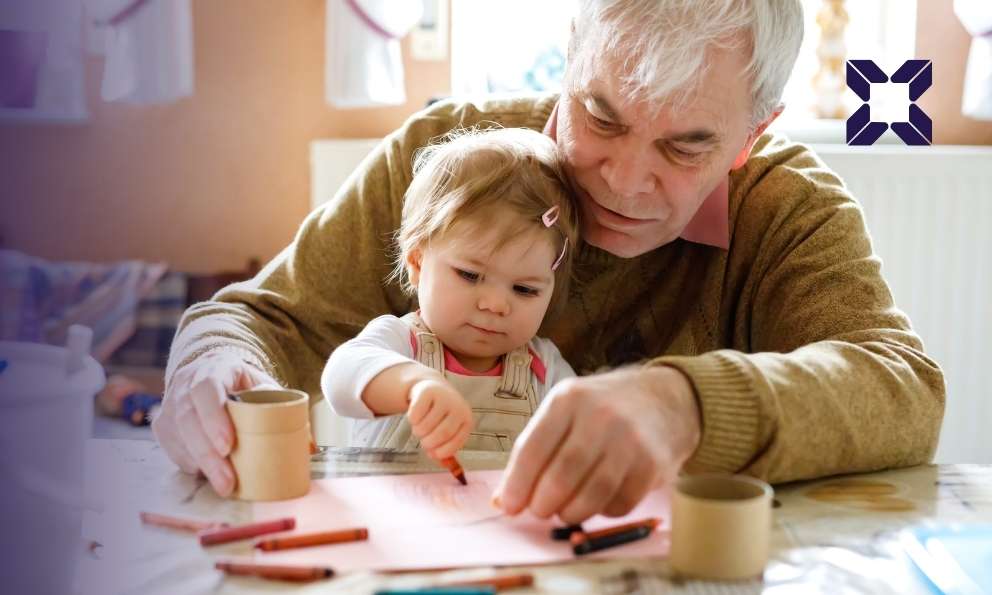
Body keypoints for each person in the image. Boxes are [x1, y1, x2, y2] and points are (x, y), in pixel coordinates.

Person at [154, 0, 944, 524]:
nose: (626, 181)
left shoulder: (788, 209)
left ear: (751, 136)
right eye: (600, 115)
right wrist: (213, 362)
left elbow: (902, 390)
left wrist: (687, 404)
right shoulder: (452, 161)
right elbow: (259, 315)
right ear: (571, 56)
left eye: (686, 145)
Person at [320, 127, 578, 460]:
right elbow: (339, 378)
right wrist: (413, 385)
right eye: (470, 275)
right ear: (417, 262)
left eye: (525, 289)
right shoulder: (401, 342)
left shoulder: (543, 368)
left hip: (499, 511)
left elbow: (585, 429)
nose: (496, 304)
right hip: (396, 510)